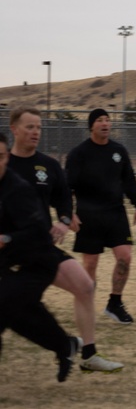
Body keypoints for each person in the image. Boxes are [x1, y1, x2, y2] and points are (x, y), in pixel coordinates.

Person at [8, 106, 124, 372]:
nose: (36, 132)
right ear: (14, 129)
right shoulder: (5, 165)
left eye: (39, 127)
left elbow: (63, 198)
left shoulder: (48, 165)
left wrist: (62, 221)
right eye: (29, 127)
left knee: (84, 286)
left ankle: (89, 355)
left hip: (40, 249)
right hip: (8, 251)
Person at [0, 131, 80, 382]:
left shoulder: (17, 190)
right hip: (8, 261)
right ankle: (65, 346)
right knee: (20, 315)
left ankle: (64, 346)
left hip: (38, 260)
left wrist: (6, 239)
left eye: (0, 156)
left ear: (5, 158)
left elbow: (35, 232)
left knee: (3, 309)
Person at [65, 108, 136, 325]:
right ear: (91, 126)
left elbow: (129, 180)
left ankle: (115, 303)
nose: (105, 123)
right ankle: (87, 304)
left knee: (125, 257)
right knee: (90, 264)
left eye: (108, 120)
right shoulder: (79, 153)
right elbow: (67, 187)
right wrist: (68, 213)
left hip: (115, 214)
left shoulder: (119, 151)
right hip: (88, 216)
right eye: (100, 120)